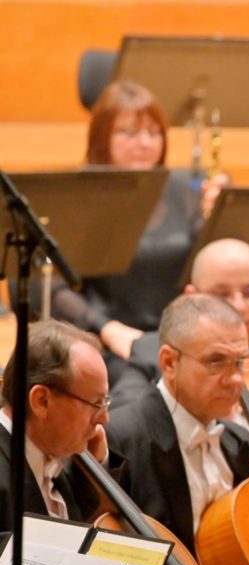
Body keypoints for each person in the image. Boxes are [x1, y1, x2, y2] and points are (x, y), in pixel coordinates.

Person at [104, 293, 249, 555]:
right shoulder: (118, 440)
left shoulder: (243, 444)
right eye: (216, 362)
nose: (235, 380)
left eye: (240, 362)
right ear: (169, 362)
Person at [51, 80, 225, 379]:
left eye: (154, 132)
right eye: (129, 132)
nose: (145, 143)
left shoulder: (185, 189)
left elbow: (206, 269)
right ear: (101, 137)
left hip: (180, 339)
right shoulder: (79, 198)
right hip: (106, 343)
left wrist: (217, 218)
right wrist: (107, 328)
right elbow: (52, 287)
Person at [110, 238, 249, 457]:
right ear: (192, 295)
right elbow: (120, 424)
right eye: (221, 295)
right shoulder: (155, 348)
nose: (239, 306)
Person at [0, 319, 118, 536]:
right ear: (41, 400)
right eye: (95, 403)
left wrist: (97, 467)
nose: (104, 419)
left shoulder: (60, 457)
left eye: (105, 402)